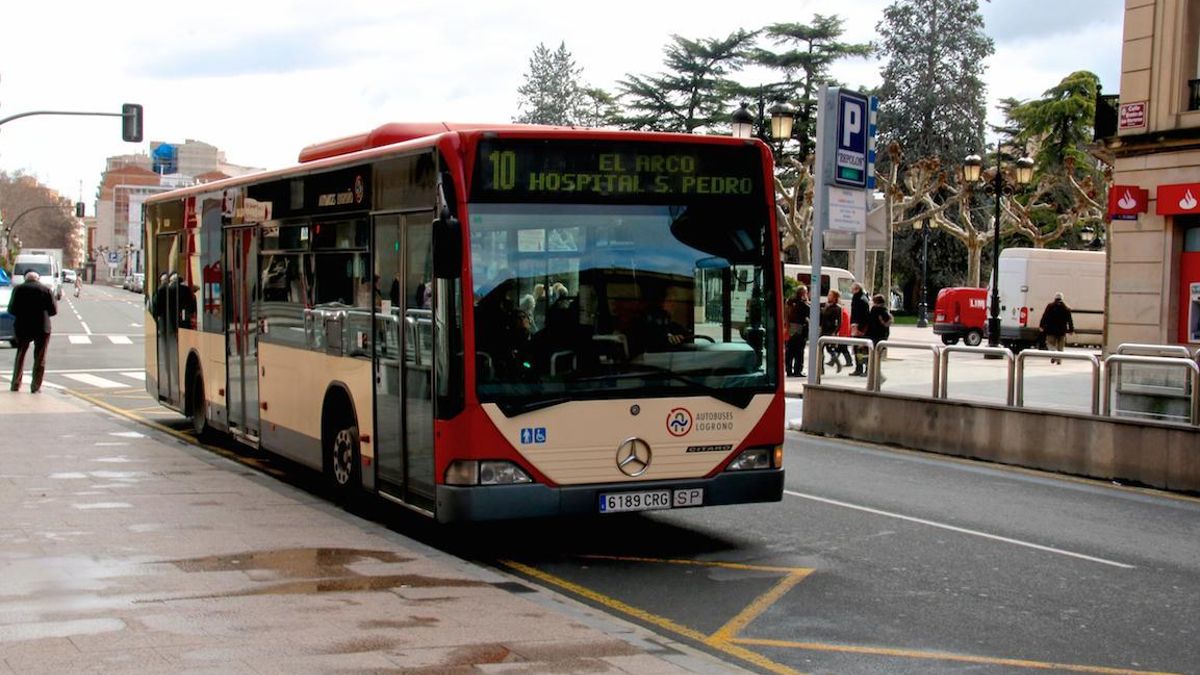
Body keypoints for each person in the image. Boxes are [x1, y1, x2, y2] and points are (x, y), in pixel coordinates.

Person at [7, 271, 58, 393]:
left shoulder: (18, 289)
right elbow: (53, 310)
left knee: (20, 355)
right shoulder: (45, 290)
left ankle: (15, 384)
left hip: (23, 326)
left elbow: (11, 309)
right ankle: (35, 386)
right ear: (38, 278)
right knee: (40, 357)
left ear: (26, 278)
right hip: (42, 326)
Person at [1040, 291, 1074, 364]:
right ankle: (1059, 360)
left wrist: (1041, 325)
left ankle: (1054, 354)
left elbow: (1044, 316)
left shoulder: (1050, 306)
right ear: (1062, 298)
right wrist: (1071, 330)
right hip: (1062, 331)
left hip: (1051, 330)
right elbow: (1070, 320)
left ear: (1055, 298)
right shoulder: (1066, 308)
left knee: (1050, 344)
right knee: (1060, 347)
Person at [865, 293, 893, 382]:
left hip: (875, 337)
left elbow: (871, 324)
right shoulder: (883, 311)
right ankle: (876, 376)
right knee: (874, 358)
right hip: (880, 337)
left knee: (872, 359)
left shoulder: (877, 311)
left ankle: (878, 377)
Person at [785, 284, 809, 377]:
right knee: (799, 351)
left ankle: (789, 370)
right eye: (806, 292)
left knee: (790, 351)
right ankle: (797, 370)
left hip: (791, 329)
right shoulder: (802, 304)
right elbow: (810, 312)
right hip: (799, 329)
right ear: (803, 294)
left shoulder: (790, 302)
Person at [819, 289, 843, 374]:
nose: (828, 296)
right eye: (828, 295)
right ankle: (820, 369)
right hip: (823, 330)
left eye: (830, 295)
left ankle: (838, 363)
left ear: (835, 297)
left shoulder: (837, 308)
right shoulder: (825, 305)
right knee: (820, 350)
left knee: (830, 349)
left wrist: (835, 332)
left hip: (830, 330)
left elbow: (840, 322)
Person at [849, 282, 870, 376]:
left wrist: (860, 329)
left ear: (857, 289)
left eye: (852, 289)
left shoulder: (861, 300)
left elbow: (863, 316)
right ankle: (859, 367)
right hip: (856, 327)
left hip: (860, 329)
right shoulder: (858, 298)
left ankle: (865, 368)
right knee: (857, 349)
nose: (851, 290)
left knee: (862, 350)